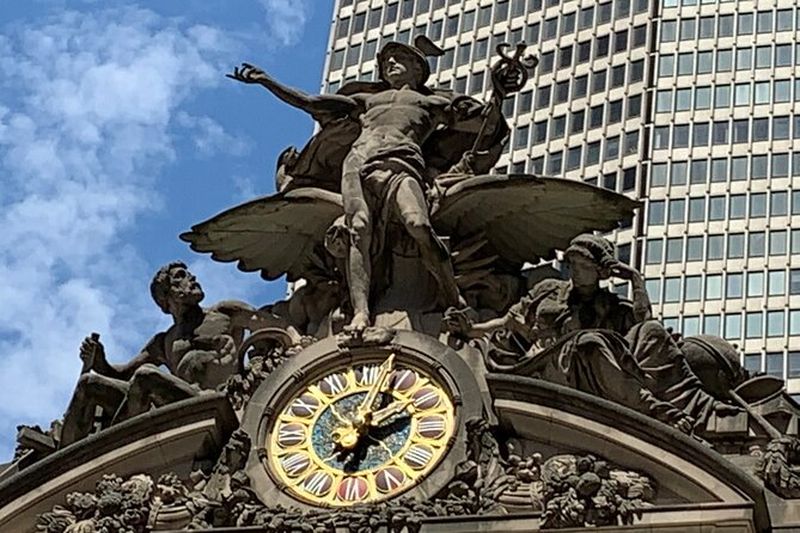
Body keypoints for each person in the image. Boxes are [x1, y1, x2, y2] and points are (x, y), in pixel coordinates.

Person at [228, 38, 507, 332]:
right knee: (357, 230)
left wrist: (499, 93)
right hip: (358, 163)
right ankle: (361, 312)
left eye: (398, 58)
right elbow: (311, 102)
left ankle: (453, 299)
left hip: (402, 163)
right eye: (386, 61)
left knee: (418, 225)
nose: (390, 64)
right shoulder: (365, 101)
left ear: (417, 67)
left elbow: (487, 125)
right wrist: (268, 81)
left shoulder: (435, 103)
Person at [446, 234, 734, 432]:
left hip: (596, 373)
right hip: (546, 366)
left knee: (653, 332)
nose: (577, 272)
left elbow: (644, 322)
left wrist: (635, 279)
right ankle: (652, 408)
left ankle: (699, 405)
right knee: (589, 342)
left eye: (585, 266)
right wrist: (471, 330)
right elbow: (508, 321)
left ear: (600, 272)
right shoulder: (549, 291)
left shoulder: (611, 305)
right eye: (573, 265)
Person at [60, 262, 271, 447]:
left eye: (188, 274)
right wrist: (99, 359)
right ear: (166, 296)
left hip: (209, 400)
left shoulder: (224, 313)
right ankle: (65, 465)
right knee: (88, 384)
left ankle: (118, 446)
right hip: (178, 401)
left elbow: (269, 325)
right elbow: (121, 374)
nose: (192, 278)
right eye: (180, 276)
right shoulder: (164, 341)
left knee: (146, 377)